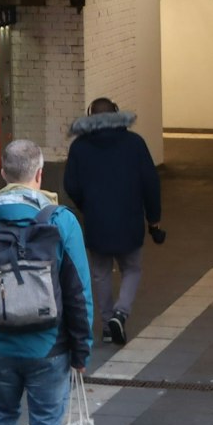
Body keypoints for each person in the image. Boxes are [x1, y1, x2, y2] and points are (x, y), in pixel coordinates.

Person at [0, 138, 93, 425]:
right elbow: (78, 292)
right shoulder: (62, 221)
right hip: (50, 346)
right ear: (40, 174)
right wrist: (81, 349)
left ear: (3, 173)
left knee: (1, 420)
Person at [63, 98, 162, 346]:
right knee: (132, 268)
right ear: (116, 114)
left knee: (100, 273)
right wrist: (154, 219)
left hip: (96, 220)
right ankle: (121, 312)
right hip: (129, 218)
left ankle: (108, 325)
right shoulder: (135, 143)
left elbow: (71, 185)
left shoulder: (79, 147)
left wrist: (86, 205)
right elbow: (151, 183)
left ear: (90, 117)